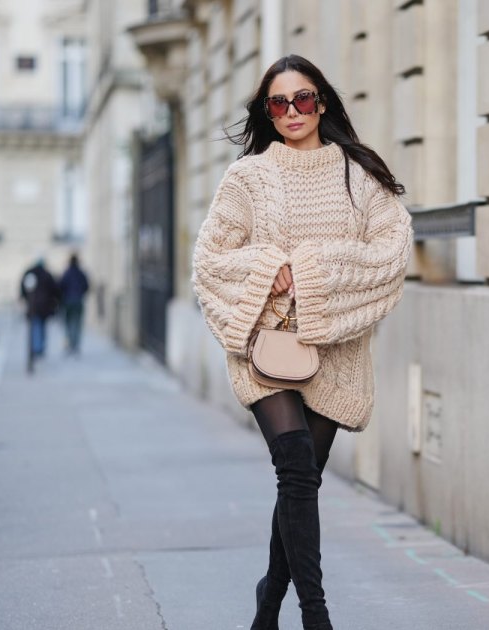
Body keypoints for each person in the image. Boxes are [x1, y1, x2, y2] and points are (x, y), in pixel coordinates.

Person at [190, 55, 412, 630]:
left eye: (304, 98)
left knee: (302, 480)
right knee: (293, 467)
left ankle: (268, 602)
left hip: (337, 354)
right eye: (279, 103)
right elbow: (210, 260)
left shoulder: (358, 174)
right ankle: (317, 615)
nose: (293, 111)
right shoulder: (248, 178)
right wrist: (267, 269)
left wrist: (309, 272)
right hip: (264, 349)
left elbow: (390, 254)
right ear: (267, 112)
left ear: (323, 102)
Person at [20, 257, 60, 358]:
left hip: (33, 305)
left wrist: (25, 298)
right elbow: (54, 290)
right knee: (41, 327)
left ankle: (36, 347)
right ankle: (39, 347)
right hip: (44, 306)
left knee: (35, 326)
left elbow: (23, 289)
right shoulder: (46, 274)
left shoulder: (30, 273)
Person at [58, 253, 90, 355]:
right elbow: (86, 286)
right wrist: (80, 294)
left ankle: (70, 344)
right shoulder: (81, 273)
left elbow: (61, 286)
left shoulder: (66, 273)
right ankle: (75, 345)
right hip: (78, 300)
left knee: (68, 324)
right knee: (77, 323)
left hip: (68, 301)